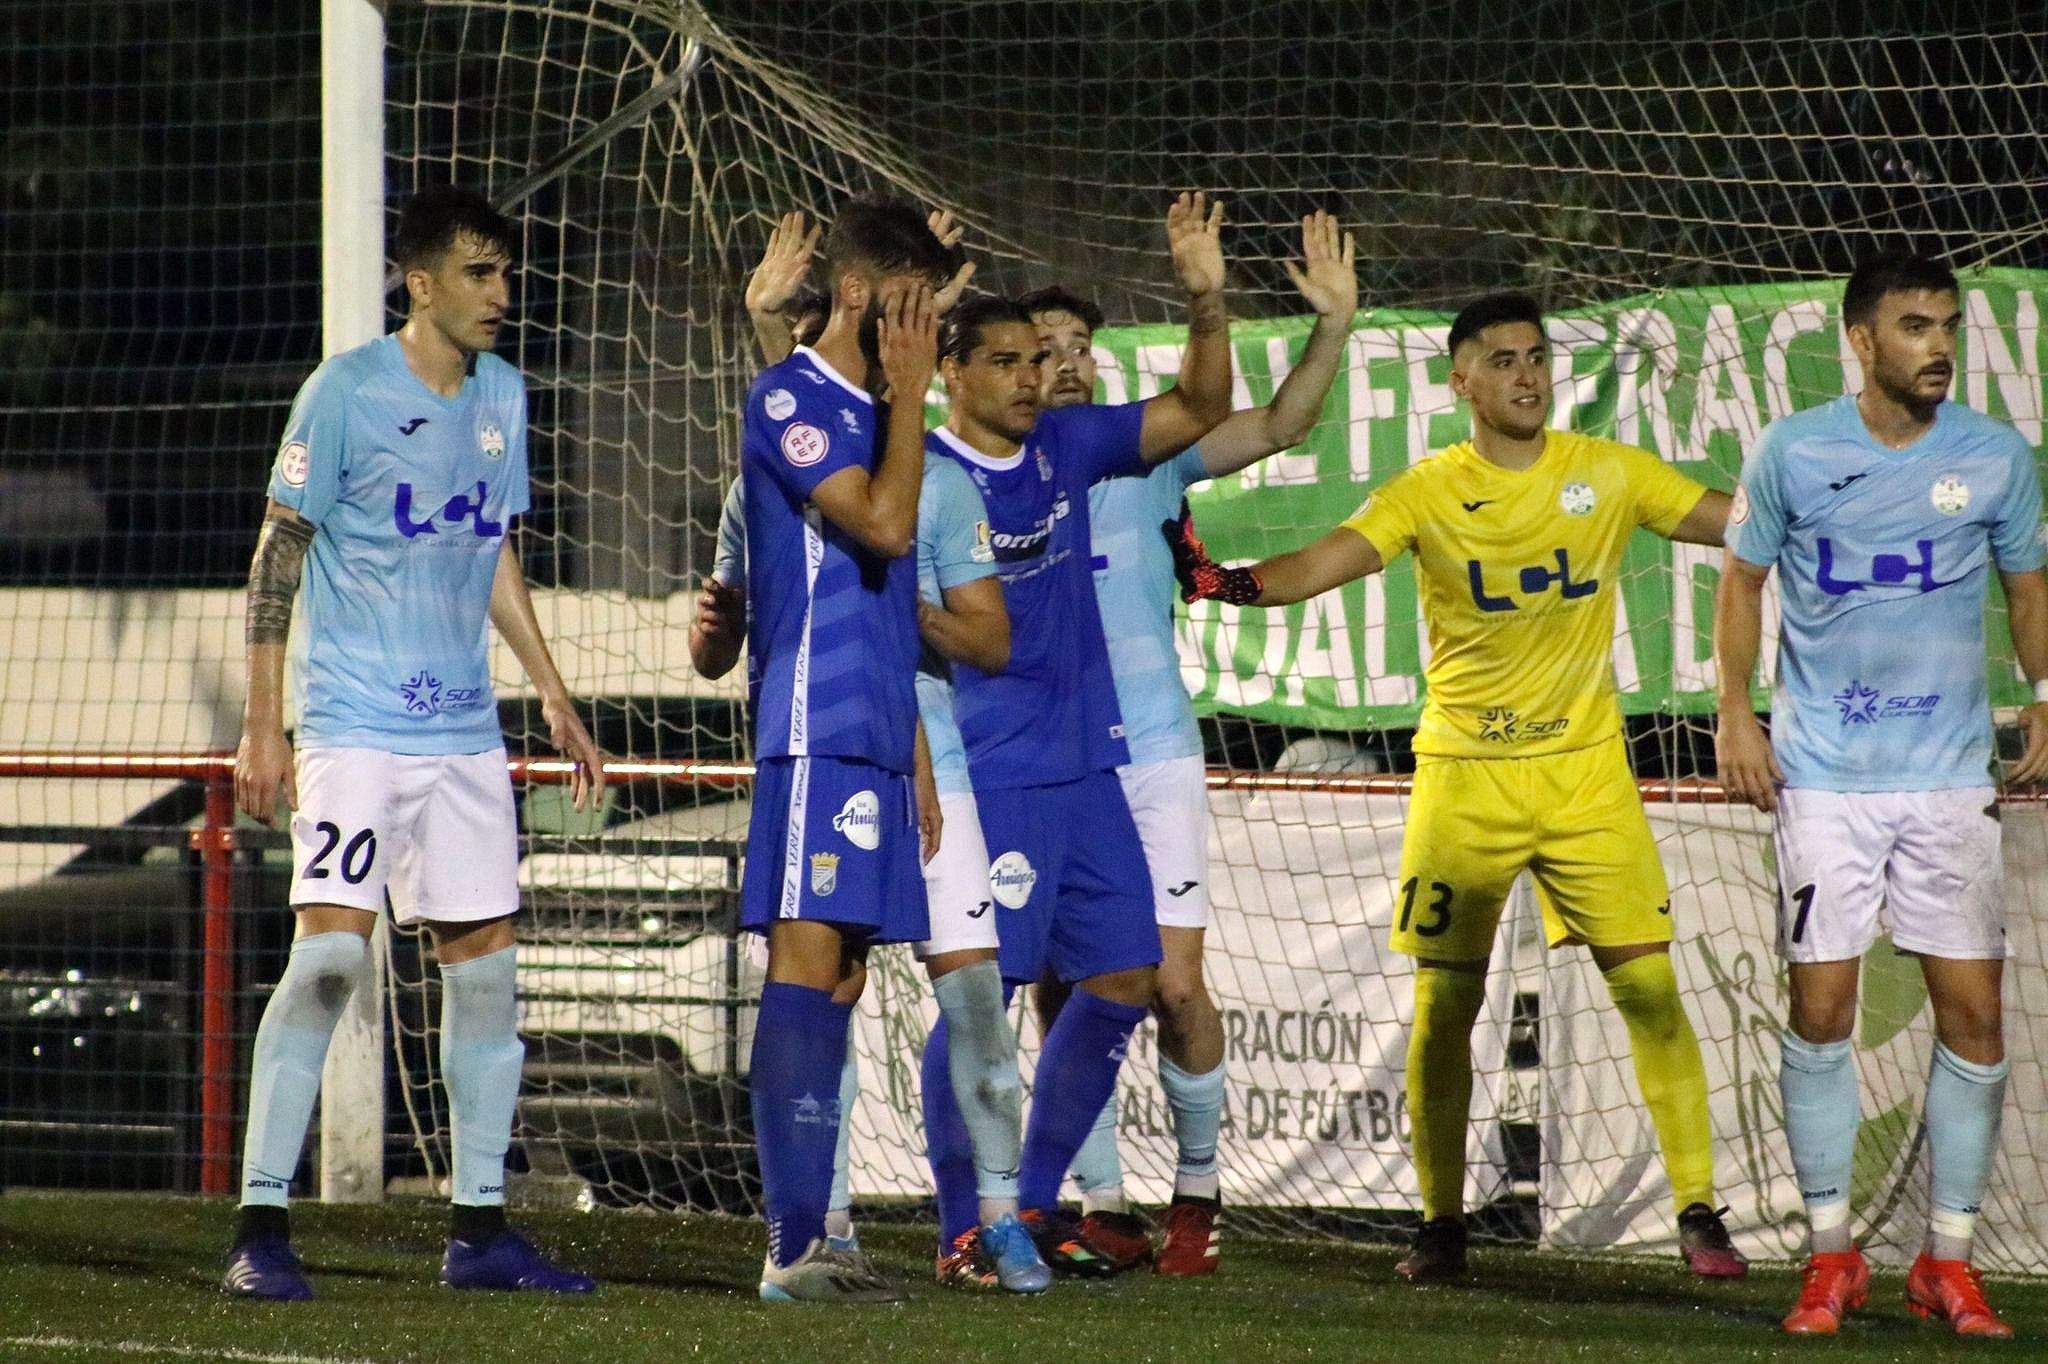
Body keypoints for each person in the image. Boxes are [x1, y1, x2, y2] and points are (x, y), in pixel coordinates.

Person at [1170, 290, 1742, 1283]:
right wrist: (1228, 581)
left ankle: (1696, 1207)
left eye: (1535, 357)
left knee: (1646, 982)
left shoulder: (1606, 472)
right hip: (1462, 778)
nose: (1527, 374)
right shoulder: (1428, 487)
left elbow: (1735, 524)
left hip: (1583, 775)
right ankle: (1439, 1223)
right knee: (1443, 1005)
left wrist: (1826, 500)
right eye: (1504, 359)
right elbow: (1328, 561)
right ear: (1460, 381)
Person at [222, 186, 605, 1300]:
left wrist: (552, 690)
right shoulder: (342, 391)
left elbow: (490, 547)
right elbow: (278, 550)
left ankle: (479, 1230)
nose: (501, 293)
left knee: (487, 982)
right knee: (333, 958)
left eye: (507, 273)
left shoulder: (504, 396)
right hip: (354, 726)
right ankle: (260, 1221)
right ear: (420, 281)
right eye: (480, 273)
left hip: (463, 736)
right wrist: (264, 721)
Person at [1715, 253, 2048, 1339]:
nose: (1937, 344)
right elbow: (1740, 578)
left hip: (1949, 778)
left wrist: (2043, 692)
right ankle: (1827, 1255)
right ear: (1858, 340)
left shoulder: (1995, 457)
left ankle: (1943, 1261)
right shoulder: (1792, 449)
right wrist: (1732, 709)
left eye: (1946, 323)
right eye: (1913, 325)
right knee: (1820, 1011)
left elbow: (2025, 587)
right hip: (1822, 780)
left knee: (1976, 1018)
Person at [1021, 210, 1358, 1276]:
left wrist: (1332, 328)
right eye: (1045, 351)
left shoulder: (1146, 449)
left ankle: (1197, 1192)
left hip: (1153, 751)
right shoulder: (990, 470)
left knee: (1169, 983)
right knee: (1061, 985)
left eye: (1081, 347)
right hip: (1046, 751)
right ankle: (1101, 1196)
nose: (1067, 365)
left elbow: (1278, 424)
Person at [920, 190, 1234, 1277]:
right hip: (988, 772)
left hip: (1090, 763)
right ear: (950, 372)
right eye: (1001, 358)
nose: (1025, 374)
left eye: (1031, 358)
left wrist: (1206, 302)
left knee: (1122, 976)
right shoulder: (921, 473)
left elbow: (1200, 404)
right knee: (980, 995)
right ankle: (967, 1220)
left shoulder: (1067, 445)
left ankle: (1035, 1199)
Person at [735, 195, 954, 1303]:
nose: (926, 336)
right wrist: (909, 394)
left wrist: (913, 746)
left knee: (848, 975)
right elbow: (881, 526)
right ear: (863, 298)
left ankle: (824, 1230)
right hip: (814, 722)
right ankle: (789, 1245)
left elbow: (891, 594)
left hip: (873, 728)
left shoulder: (876, 401)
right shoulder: (789, 397)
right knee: (805, 959)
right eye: (911, 309)